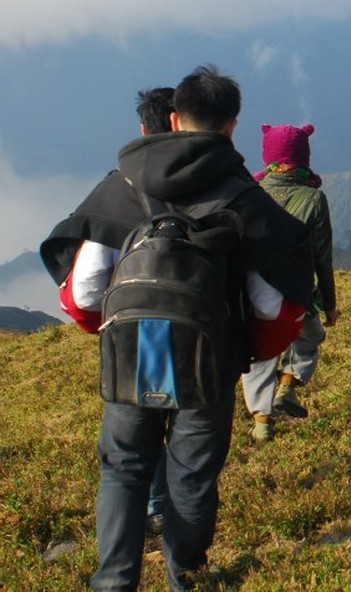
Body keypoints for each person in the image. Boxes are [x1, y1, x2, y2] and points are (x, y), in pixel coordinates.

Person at [40, 65, 314, 591]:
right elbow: (271, 303)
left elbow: (84, 293)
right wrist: (245, 352)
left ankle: (114, 582)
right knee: (191, 475)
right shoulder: (243, 198)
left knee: (123, 468)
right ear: (232, 126)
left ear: (172, 118)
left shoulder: (122, 186)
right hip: (207, 362)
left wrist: (118, 327)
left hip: (130, 352)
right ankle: (183, 576)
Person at [241, 123, 338, 441]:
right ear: (303, 158)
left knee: (260, 354)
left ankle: (261, 422)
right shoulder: (313, 199)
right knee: (310, 338)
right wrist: (330, 306)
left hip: (252, 299)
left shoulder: (249, 194)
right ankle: (288, 387)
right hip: (298, 297)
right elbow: (323, 259)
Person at [134, 86, 176, 538]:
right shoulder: (226, 185)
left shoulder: (119, 187)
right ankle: (185, 566)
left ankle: (154, 508)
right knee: (193, 442)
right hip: (203, 337)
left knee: (136, 442)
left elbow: (85, 291)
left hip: (137, 336)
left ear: (144, 129)